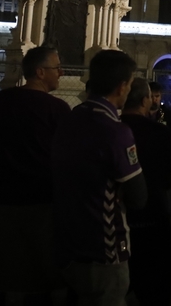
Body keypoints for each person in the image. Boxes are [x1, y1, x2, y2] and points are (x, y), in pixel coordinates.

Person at [0, 45, 71, 303]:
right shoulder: (58, 109)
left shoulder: (1, 101)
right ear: (40, 72)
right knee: (38, 274)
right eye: (56, 67)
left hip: (1, 196)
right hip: (40, 200)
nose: (61, 72)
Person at [52, 49, 146, 305]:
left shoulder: (69, 120)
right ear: (122, 86)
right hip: (104, 249)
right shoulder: (116, 132)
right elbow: (139, 196)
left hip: (67, 243)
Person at [122, 78, 171, 306]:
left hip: (117, 223)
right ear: (146, 100)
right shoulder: (160, 133)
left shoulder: (113, 129)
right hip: (154, 219)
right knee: (156, 292)